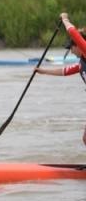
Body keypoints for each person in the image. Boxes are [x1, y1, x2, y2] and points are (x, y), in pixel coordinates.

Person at [33, 11, 86, 146]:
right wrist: (43, 71)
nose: (71, 51)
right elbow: (65, 71)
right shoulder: (82, 62)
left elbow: (74, 33)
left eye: (71, 48)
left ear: (78, 46)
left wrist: (65, 19)